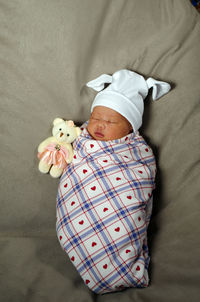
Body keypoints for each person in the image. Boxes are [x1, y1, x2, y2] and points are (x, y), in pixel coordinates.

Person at [56, 69, 171, 294]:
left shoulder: (137, 151)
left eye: (111, 121)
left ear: (130, 127)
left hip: (119, 208)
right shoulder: (81, 139)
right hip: (82, 204)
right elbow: (70, 158)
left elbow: (140, 179)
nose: (100, 125)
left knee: (124, 225)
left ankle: (123, 266)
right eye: (96, 118)